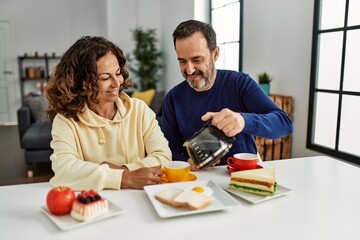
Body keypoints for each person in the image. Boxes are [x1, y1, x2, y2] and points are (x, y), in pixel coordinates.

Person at [162, 20, 293, 170]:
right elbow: (169, 150)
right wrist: (187, 163)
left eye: (197, 60)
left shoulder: (240, 84)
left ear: (215, 53)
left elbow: (284, 124)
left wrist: (243, 121)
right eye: (182, 61)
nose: (189, 70)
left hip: (243, 175)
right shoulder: (173, 98)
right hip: (197, 179)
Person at [46, 36, 171, 191]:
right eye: (105, 77)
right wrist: (127, 178)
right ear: (83, 84)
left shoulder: (139, 110)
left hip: (140, 198)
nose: (116, 83)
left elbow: (164, 157)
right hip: (95, 204)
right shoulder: (66, 120)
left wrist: (121, 171)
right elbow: (63, 170)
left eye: (118, 73)